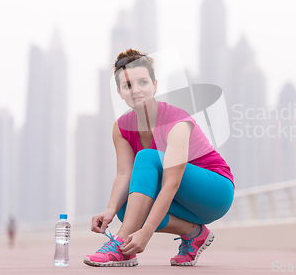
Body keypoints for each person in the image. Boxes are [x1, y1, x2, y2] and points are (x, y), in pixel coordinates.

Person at [84, 49, 234, 267]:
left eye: (143, 82)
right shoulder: (121, 128)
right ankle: (194, 234)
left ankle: (120, 245)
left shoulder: (176, 121)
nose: (136, 90)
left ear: (155, 85)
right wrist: (110, 209)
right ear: (119, 92)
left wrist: (146, 231)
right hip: (183, 197)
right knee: (126, 209)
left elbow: (172, 183)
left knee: (147, 157)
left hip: (215, 191)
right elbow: (125, 174)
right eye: (128, 85)